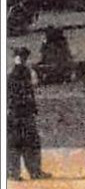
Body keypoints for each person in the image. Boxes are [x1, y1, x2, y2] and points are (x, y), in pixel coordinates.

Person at [7, 46, 48, 180]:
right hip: (20, 113)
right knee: (28, 142)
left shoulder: (15, 72)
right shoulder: (21, 72)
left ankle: (14, 173)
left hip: (14, 113)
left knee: (15, 144)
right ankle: (33, 171)